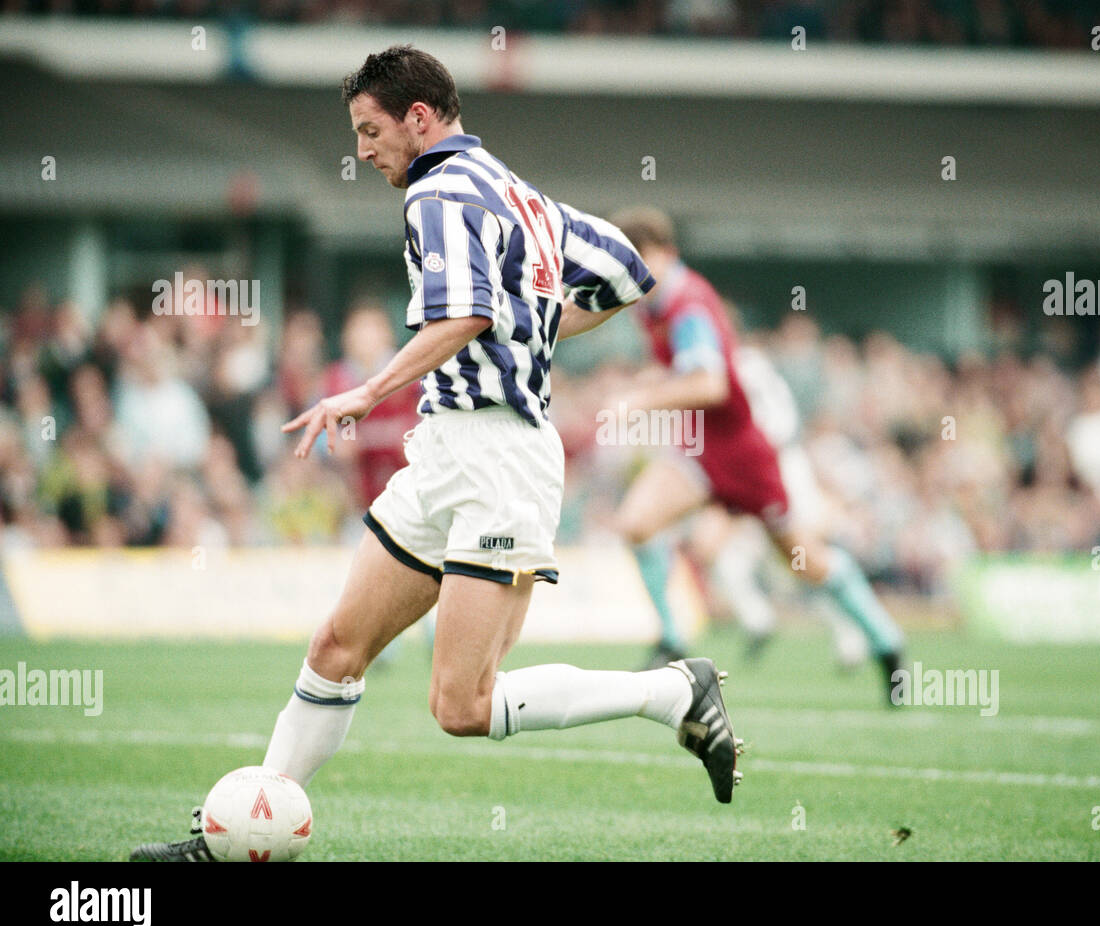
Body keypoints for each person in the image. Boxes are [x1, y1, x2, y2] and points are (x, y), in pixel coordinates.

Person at [130, 46, 741, 861]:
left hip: (498, 459)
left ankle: (672, 691)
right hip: (450, 450)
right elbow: (628, 272)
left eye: (369, 129)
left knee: (462, 703)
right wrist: (541, 323)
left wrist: (365, 390)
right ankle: (242, 831)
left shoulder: (439, 192)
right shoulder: (514, 190)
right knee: (336, 648)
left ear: (418, 118)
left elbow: (465, 316)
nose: (362, 149)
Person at [606, 206, 905, 699]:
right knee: (635, 522)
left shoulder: (689, 306)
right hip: (700, 450)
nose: (634, 269)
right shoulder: (651, 305)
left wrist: (639, 399)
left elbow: (710, 383)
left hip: (745, 456)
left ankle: (886, 640)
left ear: (668, 254)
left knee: (804, 562)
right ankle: (673, 639)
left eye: (642, 258)